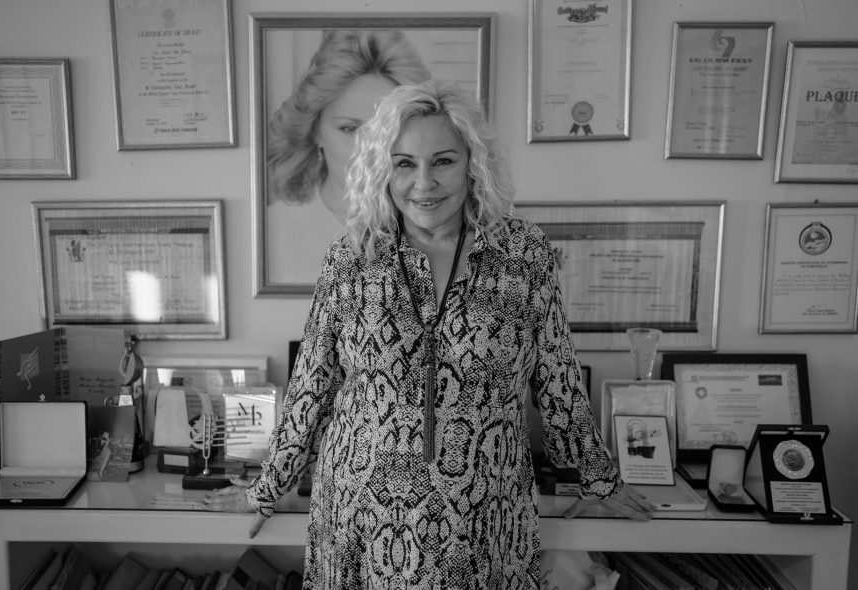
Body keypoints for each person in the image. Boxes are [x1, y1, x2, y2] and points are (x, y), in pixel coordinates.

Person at [206, 80, 654, 588]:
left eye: (443, 161)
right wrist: (267, 488)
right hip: (362, 518)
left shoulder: (523, 254)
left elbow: (558, 380)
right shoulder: (352, 257)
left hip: (484, 521)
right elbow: (313, 384)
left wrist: (599, 480)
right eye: (405, 164)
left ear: (472, 163)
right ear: (383, 170)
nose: (424, 183)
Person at [266, 29, 431, 284]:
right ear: (315, 131)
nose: (368, 148)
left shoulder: (435, 227)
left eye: (385, 129)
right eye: (349, 129)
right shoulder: (274, 230)